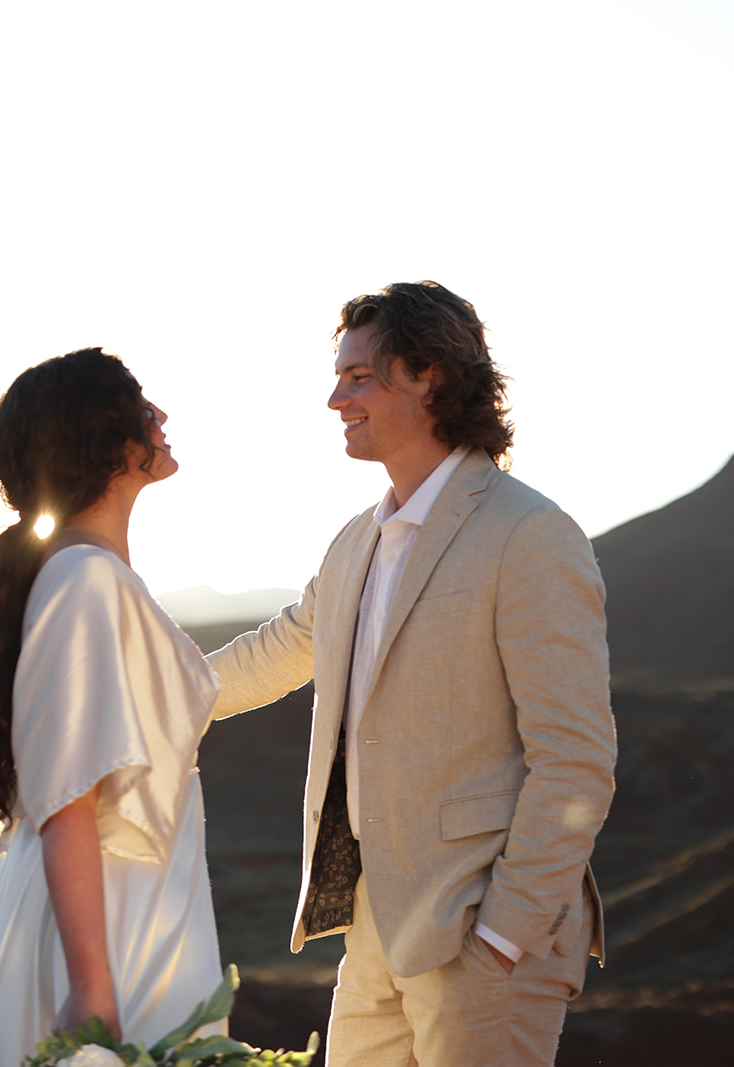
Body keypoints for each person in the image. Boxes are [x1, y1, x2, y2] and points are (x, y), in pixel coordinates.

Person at [205, 282, 616, 1066]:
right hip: (375, 932)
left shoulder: (528, 533)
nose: (336, 398)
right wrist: (137, 699)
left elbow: (576, 759)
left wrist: (501, 935)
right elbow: (278, 649)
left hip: (482, 934)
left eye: (359, 376)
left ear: (428, 374)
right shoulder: (355, 542)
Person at [0, 348, 225, 1067]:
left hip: (132, 903)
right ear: (111, 444)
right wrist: (92, 989)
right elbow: (66, 800)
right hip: (111, 922)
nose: (160, 418)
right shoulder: (84, 580)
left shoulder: (88, 574)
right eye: (142, 406)